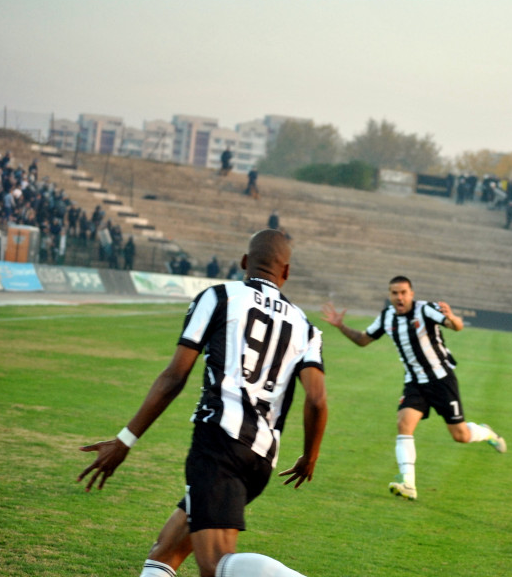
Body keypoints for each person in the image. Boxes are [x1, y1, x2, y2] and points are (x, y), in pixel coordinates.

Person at [77, 230, 328, 577]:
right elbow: (316, 400)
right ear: (286, 272)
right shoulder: (306, 326)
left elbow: (173, 378)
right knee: (164, 553)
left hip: (219, 442)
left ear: (244, 262)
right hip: (261, 458)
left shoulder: (219, 297)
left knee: (214, 565)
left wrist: (125, 440)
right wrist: (309, 457)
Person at [321, 276, 505, 501]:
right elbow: (363, 339)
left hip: (441, 380)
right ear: (390, 295)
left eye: (403, 292)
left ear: (411, 293)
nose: (399, 297)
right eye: (395, 293)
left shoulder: (425, 310)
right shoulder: (386, 317)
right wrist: (341, 326)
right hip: (415, 382)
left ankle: (485, 432)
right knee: (404, 423)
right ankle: (408, 483)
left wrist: (453, 318)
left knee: (460, 435)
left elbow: (455, 326)